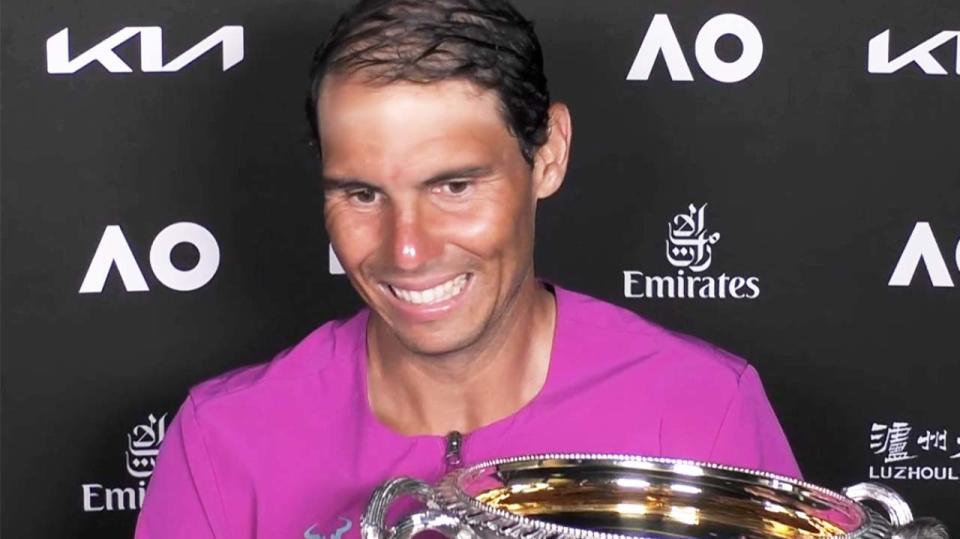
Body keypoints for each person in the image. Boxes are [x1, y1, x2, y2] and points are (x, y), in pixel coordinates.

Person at [135, 0, 800, 537]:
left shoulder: (702, 409)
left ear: (547, 156)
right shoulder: (224, 440)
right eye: (362, 193)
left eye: (453, 186)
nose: (407, 250)